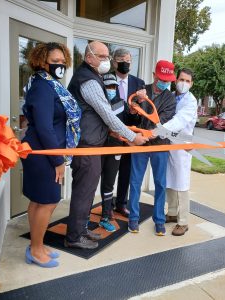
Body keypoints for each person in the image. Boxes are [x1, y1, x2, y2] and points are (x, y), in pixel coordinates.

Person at [65, 41, 148, 250]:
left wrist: (113, 133)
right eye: (102, 57)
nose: (106, 61)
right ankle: (74, 237)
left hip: (92, 144)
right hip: (87, 146)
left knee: (87, 190)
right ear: (89, 57)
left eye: (107, 57)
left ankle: (81, 230)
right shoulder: (88, 81)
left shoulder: (92, 77)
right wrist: (131, 137)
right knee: (84, 193)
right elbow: (107, 114)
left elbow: (99, 117)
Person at [21, 42, 81, 267]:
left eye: (63, 62)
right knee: (48, 202)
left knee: (39, 201)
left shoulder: (49, 85)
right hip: (43, 154)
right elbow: (45, 127)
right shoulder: (42, 86)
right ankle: (36, 250)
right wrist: (58, 161)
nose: (60, 65)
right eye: (55, 61)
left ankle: (36, 244)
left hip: (42, 151)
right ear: (42, 61)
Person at [128, 60, 176, 236]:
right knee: (135, 182)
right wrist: (136, 104)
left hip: (160, 145)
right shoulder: (142, 91)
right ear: (154, 76)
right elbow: (132, 114)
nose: (164, 83)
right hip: (140, 144)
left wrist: (151, 133)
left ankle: (159, 221)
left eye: (167, 80)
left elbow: (163, 121)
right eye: (161, 79)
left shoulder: (170, 98)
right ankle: (133, 219)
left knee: (160, 184)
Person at [163, 68, 197, 236]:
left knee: (182, 183)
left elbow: (180, 120)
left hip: (183, 144)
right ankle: (172, 212)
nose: (184, 83)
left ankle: (183, 222)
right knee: (170, 178)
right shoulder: (171, 96)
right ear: (176, 79)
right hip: (169, 142)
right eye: (181, 79)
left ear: (192, 84)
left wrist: (160, 130)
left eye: (188, 81)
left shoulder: (190, 101)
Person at [112, 48, 146, 217]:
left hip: (131, 135)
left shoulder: (139, 83)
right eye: (121, 59)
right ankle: (106, 205)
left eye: (128, 60)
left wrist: (138, 107)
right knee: (109, 171)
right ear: (114, 62)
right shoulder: (106, 80)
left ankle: (121, 203)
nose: (125, 63)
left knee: (126, 171)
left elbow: (144, 110)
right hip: (111, 134)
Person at [99, 73, 124, 232]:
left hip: (115, 147)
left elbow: (125, 124)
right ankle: (84, 217)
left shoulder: (120, 103)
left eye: (114, 86)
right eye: (108, 86)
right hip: (98, 147)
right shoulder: (97, 102)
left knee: (109, 183)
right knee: (90, 183)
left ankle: (106, 216)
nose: (111, 89)